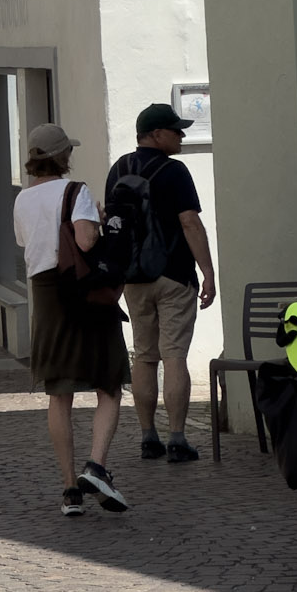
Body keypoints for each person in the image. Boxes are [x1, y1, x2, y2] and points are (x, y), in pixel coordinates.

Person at [13, 122, 131, 518]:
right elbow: (84, 241)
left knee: (59, 392)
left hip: (46, 296)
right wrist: (96, 220)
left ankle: (69, 490)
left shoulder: (22, 200)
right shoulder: (75, 191)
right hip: (84, 295)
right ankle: (96, 466)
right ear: (63, 156)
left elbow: (27, 243)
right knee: (108, 382)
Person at [106, 101, 217, 464]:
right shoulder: (175, 171)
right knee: (174, 356)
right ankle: (177, 438)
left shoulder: (119, 169)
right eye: (175, 130)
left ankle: (147, 436)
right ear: (156, 134)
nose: (181, 136)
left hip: (133, 279)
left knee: (144, 356)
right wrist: (208, 272)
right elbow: (190, 223)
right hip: (173, 276)